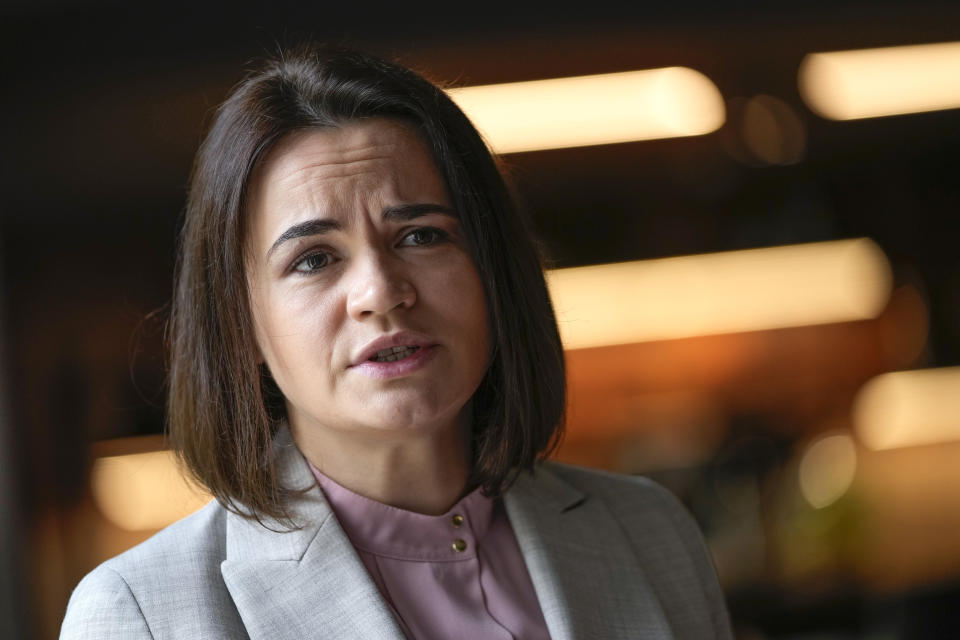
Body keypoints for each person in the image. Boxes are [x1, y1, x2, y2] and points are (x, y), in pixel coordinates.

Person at [60, 46, 732, 639]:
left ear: (492, 270)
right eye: (314, 259)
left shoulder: (649, 533)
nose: (380, 291)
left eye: (421, 236)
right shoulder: (142, 615)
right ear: (242, 325)